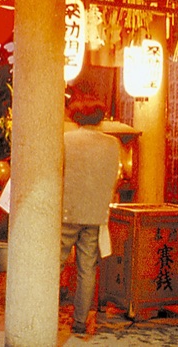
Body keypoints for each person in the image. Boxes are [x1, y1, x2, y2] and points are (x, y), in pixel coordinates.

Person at [60, 97, 122, 335]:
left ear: (76, 117)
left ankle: (45, 311)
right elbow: (113, 178)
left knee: (55, 264)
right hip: (95, 214)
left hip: (67, 211)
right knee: (87, 269)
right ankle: (80, 320)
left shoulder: (66, 140)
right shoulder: (113, 144)